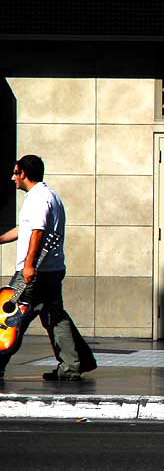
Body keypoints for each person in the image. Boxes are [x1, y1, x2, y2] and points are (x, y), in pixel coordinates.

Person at [0, 155, 96, 381]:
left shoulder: (38, 198)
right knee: (54, 316)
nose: (12, 177)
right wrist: (1, 238)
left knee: (10, 317)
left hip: (33, 272)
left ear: (23, 173)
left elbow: (38, 231)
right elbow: (26, 228)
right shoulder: (49, 196)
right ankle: (73, 365)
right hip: (51, 269)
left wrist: (29, 265)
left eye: (15, 173)